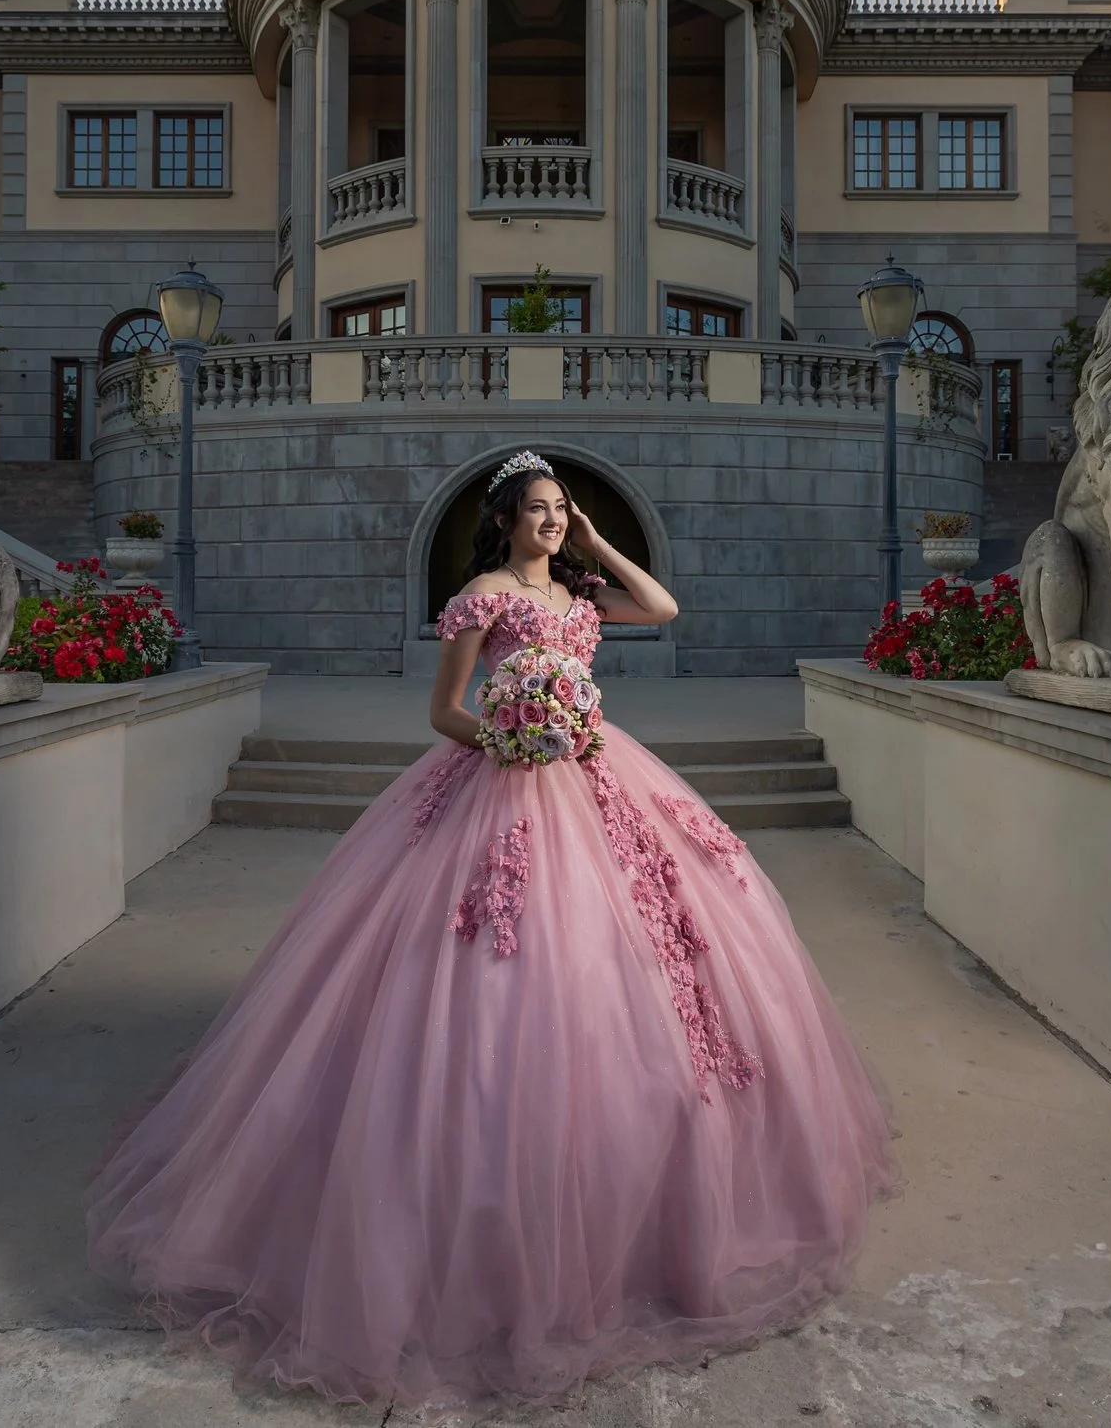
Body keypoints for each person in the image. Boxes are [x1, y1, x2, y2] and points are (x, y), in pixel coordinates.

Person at [86, 450, 896, 1408]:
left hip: (600, 783)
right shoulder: (482, 597)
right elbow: (444, 712)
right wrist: (512, 739)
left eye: (564, 510)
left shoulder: (583, 595)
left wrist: (602, 546)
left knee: (652, 955)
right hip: (500, 791)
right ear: (506, 518)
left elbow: (664, 610)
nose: (554, 522)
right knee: (486, 978)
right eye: (541, 511)